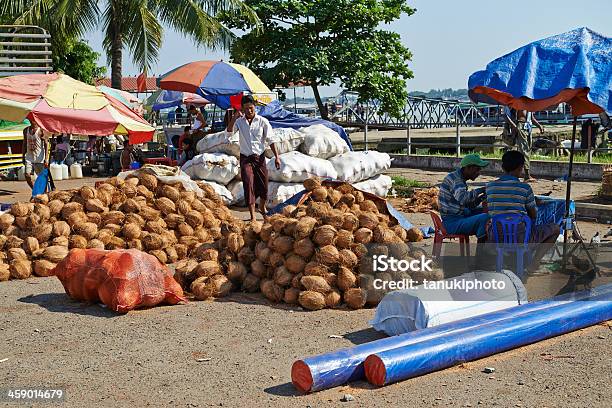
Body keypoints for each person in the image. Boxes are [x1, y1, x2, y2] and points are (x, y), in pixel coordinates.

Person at [486, 151, 560, 273]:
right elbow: (533, 214)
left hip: (496, 238)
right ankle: (534, 264)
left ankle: (498, 261)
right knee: (555, 228)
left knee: (488, 223)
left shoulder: (490, 186)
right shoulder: (525, 188)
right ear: (520, 168)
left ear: (503, 167)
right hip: (521, 239)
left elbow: (490, 210)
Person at [227, 94, 281, 221]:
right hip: (246, 159)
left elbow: (271, 140)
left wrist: (277, 157)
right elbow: (229, 131)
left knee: (264, 186)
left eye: (250, 108)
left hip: (260, 158)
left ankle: (262, 206)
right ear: (242, 109)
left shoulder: (262, 122)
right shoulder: (240, 122)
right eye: (245, 109)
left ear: (255, 107)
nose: (249, 111)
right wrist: (235, 116)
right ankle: (252, 216)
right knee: (248, 184)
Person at [439, 154, 490, 242]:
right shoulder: (456, 180)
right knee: (485, 218)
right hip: (452, 222)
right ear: (468, 168)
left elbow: (468, 204)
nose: (479, 173)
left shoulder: (458, 178)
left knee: (487, 211)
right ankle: (481, 251)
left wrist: (481, 197)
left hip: (459, 215)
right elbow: (463, 198)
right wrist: (481, 190)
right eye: (477, 169)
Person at [504, 108, 544, 182]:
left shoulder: (529, 104)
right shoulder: (516, 101)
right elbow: (506, 116)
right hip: (520, 126)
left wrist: (539, 126)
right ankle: (527, 174)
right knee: (524, 150)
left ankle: (525, 174)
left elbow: (531, 117)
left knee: (528, 151)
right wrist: (514, 126)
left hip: (528, 127)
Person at [22, 122, 49, 189]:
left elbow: (46, 144)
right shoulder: (26, 130)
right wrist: (23, 156)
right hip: (29, 157)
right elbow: (24, 143)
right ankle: (35, 190)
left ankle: (44, 193)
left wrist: (46, 158)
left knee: (42, 178)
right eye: (30, 119)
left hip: (40, 158)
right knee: (27, 175)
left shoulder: (41, 130)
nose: (32, 121)